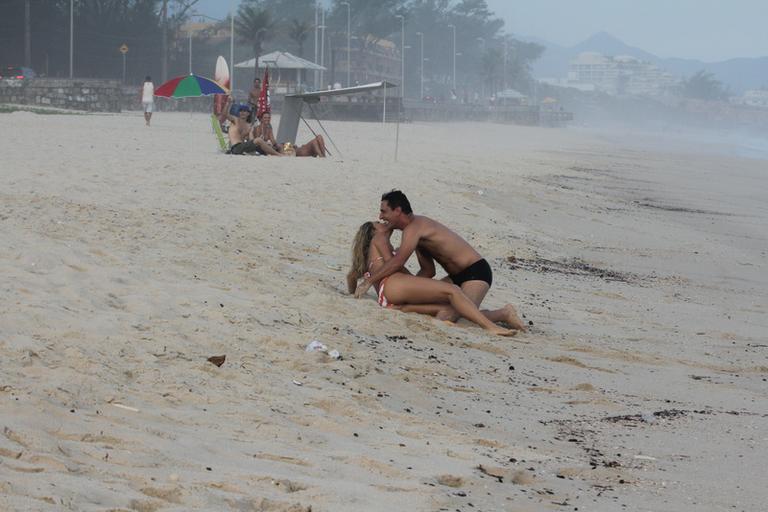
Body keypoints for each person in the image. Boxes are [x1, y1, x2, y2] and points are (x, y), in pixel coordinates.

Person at [354, 190, 526, 331]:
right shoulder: (415, 236)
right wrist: (412, 290)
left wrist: (369, 281)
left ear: (398, 210)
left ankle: (503, 313)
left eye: (384, 211)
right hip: (455, 276)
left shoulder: (415, 228)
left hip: (475, 272)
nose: (381, 216)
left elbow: (398, 262)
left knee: (458, 316)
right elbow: (429, 271)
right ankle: (499, 315)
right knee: (444, 311)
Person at [347, 222, 516, 336]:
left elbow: (351, 276)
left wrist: (352, 294)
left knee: (449, 312)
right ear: (373, 232)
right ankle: (494, 323)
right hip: (393, 287)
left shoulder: (365, 257)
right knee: (453, 293)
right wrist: (399, 256)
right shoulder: (380, 238)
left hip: (387, 296)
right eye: (379, 224)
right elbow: (395, 266)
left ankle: (503, 314)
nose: (383, 223)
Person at [253, 112, 328, 157]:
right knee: (316, 140)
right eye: (265, 117)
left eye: (269, 117)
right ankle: (322, 156)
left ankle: (323, 156)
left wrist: (279, 144)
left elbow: (273, 141)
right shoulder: (257, 128)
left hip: (286, 148)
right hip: (289, 150)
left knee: (319, 137)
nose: (267, 119)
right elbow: (258, 142)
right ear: (261, 119)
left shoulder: (269, 127)